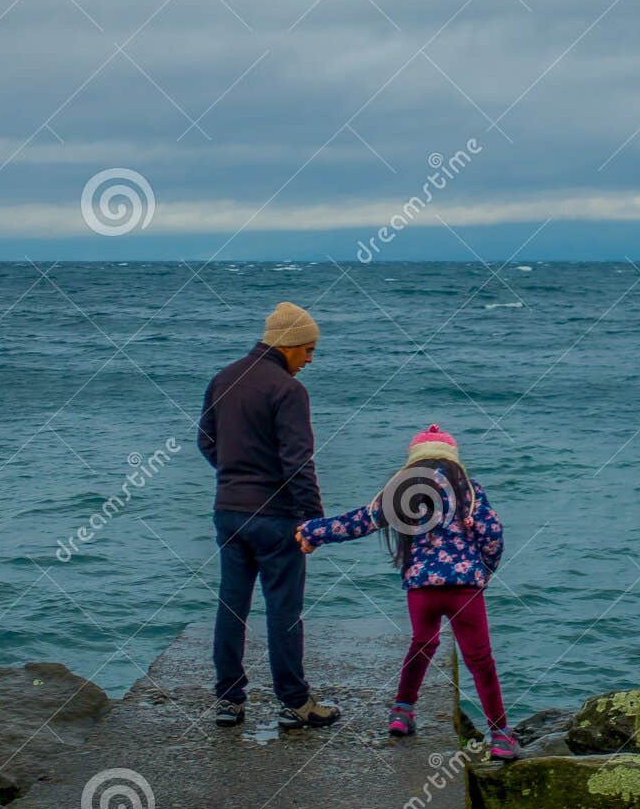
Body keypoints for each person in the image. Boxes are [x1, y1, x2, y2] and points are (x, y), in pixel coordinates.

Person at [297, 424, 517, 760]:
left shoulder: (404, 491)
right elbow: (493, 534)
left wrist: (313, 531)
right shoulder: (470, 491)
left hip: (421, 588)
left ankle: (402, 711)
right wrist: (485, 569)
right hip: (466, 590)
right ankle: (500, 734)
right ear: (453, 459)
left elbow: (360, 521)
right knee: (480, 660)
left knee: (423, 644)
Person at [197, 301, 340, 731]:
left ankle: (229, 701)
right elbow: (299, 462)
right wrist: (314, 521)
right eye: (309, 350)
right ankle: (295, 703)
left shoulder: (223, 379)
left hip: (229, 511)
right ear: (290, 345)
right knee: (283, 610)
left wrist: (235, 477)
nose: (310, 360)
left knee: (232, 605)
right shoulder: (288, 390)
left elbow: (206, 442)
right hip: (276, 518)